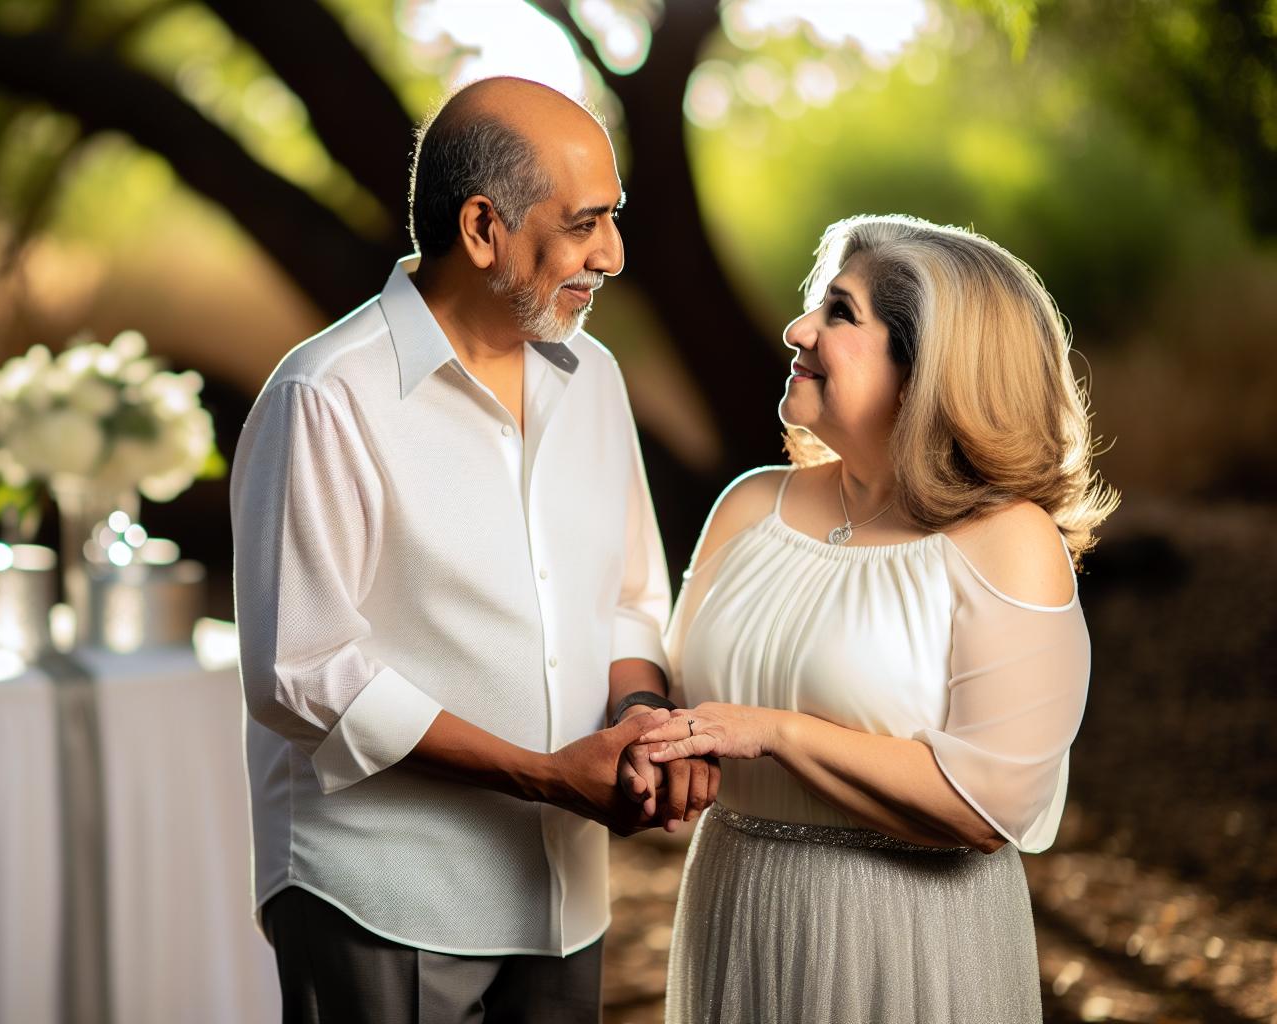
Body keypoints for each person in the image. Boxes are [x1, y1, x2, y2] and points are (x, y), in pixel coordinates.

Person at [229, 76, 717, 1023]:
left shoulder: (597, 378)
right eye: (585, 224)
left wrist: (642, 723)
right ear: (484, 228)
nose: (612, 254)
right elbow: (303, 671)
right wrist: (542, 776)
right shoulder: (326, 396)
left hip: (567, 899)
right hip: (385, 894)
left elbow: (625, 598)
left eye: (613, 218)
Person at [633, 214, 1118, 1022]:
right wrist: (650, 733)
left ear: (929, 369)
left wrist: (778, 733)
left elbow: (989, 804)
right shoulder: (751, 505)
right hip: (736, 915)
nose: (798, 329)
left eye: (840, 313)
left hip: (907, 939)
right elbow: (679, 701)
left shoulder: (1009, 543)